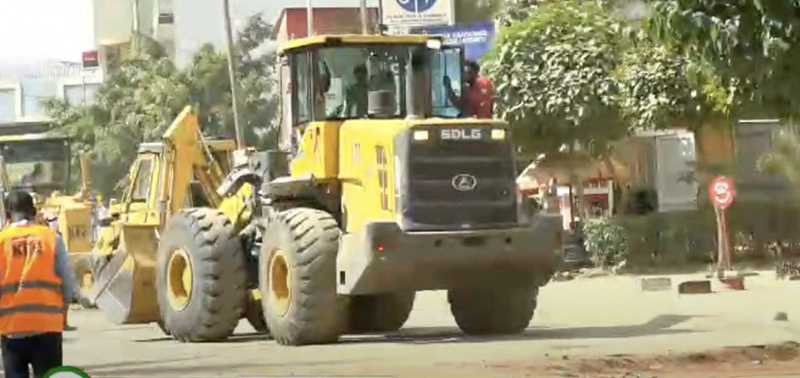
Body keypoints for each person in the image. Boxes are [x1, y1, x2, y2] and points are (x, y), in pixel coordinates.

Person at [0, 190, 74, 378]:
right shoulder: (52, 238)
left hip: (12, 328)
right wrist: (64, 308)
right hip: (47, 326)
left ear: (8, 215)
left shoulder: (2, 242)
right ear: (33, 211)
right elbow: (67, 281)